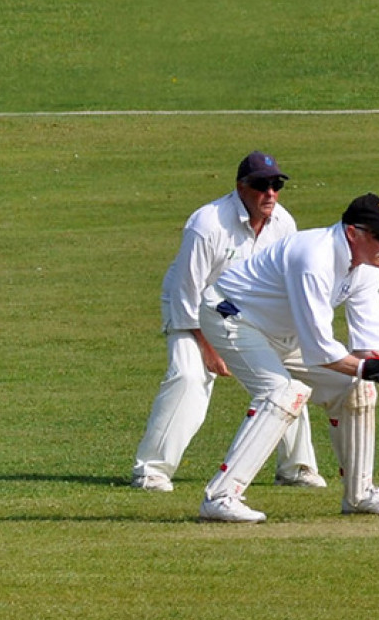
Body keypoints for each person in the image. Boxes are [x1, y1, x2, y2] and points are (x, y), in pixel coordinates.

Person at [195, 192, 379, 523]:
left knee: (356, 388)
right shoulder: (314, 258)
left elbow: (371, 349)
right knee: (283, 393)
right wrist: (376, 370)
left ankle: (359, 495)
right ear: (353, 233)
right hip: (232, 315)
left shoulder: (367, 269)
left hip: (285, 331)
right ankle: (221, 496)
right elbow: (321, 351)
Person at [132, 151, 325, 493]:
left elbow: (285, 283)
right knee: (190, 376)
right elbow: (186, 292)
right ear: (240, 187)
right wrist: (207, 347)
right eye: (261, 185)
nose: (270, 194)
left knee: (284, 380)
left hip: (252, 313)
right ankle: (151, 471)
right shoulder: (207, 224)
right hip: (193, 309)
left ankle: (295, 468)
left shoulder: (284, 224)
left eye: (276, 185)